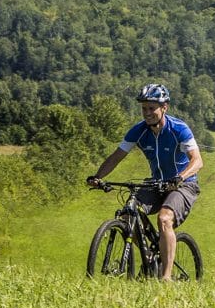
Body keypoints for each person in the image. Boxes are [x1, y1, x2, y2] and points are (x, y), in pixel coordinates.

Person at [86, 83, 204, 281]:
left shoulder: (179, 129)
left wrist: (180, 177)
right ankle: (141, 260)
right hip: (156, 183)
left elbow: (197, 160)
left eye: (151, 108)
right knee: (127, 214)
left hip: (183, 184)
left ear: (164, 107)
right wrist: (98, 177)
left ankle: (165, 277)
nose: (147, 113)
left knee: (165, 219)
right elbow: (116, 156)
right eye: (144, 109)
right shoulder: (139, 131)